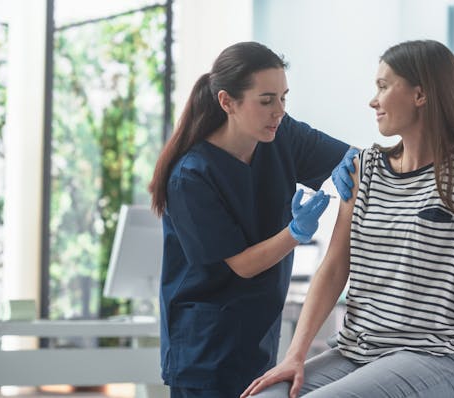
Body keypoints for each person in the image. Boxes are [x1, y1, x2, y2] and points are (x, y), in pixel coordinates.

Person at [241, 40, 454, 398]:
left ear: (420, 95)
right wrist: (293, 358)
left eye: (382, 86)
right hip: (357, 352)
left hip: (436, 356)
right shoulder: (365, 168)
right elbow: (334, 268)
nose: (373, 100)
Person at [148, 41, 357, 397]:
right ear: (227, 102)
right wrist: (295, 233)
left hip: (257, 341)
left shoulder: (282, 135)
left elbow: (355, 160)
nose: (278, 111)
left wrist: (354, 164)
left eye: (283, 98)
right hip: (204, 352)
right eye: (266, 100)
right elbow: (242, 265)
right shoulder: (191, 176)